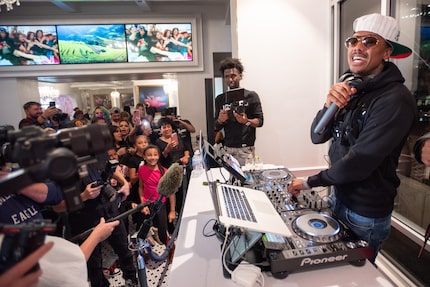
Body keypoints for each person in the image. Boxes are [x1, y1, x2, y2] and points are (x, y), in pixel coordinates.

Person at [287, 13, 417, 263]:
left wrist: (308, 182)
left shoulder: (395, 99)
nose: (358, 47)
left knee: (355, 276)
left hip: (365, 213)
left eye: (369, 41)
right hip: (339, 197)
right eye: (354, 41)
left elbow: (360, 160)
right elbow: (317, 136)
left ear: (387, 51)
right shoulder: (353, 88)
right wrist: (329, 105)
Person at [214, 57, 264, 166]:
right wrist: (220, 120)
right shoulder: (220, 99)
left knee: (246, 180)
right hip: (227, 148)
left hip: (245, 149)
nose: (230, 80)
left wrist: (246, 121)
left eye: (233, 76)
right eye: (227, 77)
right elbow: (215, 126)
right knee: (230, 181)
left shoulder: (251, 96)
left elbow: (260, 121)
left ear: (240, 76)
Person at [137, 145, 176, 245]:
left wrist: (172, 211)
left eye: (155, 155)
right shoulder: (141, 169)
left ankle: (166, 247)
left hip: (160, 204)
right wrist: (143, 203)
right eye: (149, 155)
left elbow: (171, 193)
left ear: (159, 156)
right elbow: (141, 187)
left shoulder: (164, 172)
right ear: (144, 157)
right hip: (147, 203)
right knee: (147, 226)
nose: (152, 157)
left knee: (162, 228)